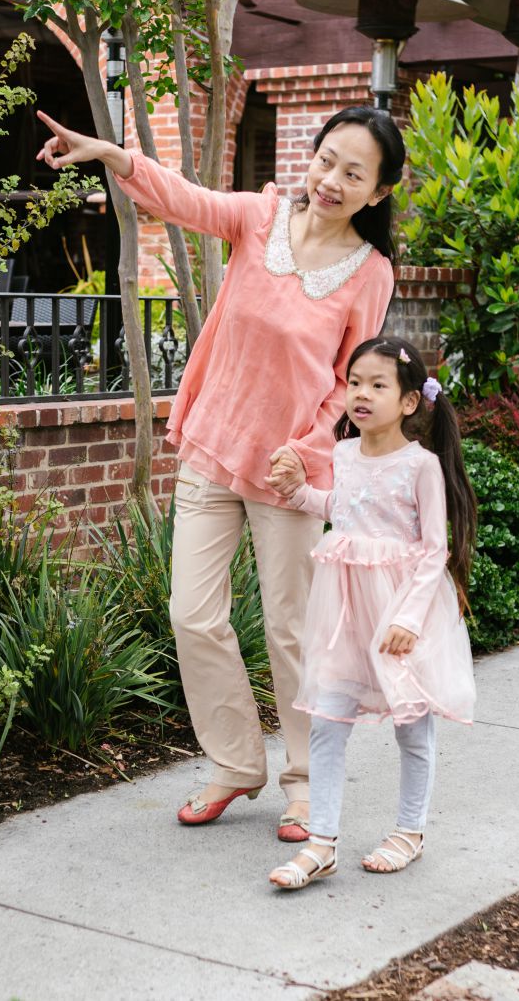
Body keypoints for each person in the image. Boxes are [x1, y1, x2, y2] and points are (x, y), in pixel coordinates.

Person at [35, 106, 404, 841]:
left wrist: (308, 444)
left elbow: (352, 382)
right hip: (213, 447)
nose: (331, 180)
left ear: (378, 192)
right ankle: (236, 762)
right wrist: (112, 153)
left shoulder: (371, 275)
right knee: (192, 612)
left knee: (291, 630)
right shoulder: (260, 217)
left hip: (289, 473)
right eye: (326, 159)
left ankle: (306, 782)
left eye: (352, 173)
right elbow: (183, 198)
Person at [262, 336, 478, 891]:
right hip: (343, 613)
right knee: (328, 724)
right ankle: (322, 843)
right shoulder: (342, 455)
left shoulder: (421, 466)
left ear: (409, 402)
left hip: (400, 615)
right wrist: (298, 493)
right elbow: (343, 511)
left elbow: (435, 549)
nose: (361, 394)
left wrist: (407, 618)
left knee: (411, 726)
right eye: (355, 382)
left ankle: (409, 831)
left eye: (378, 385)